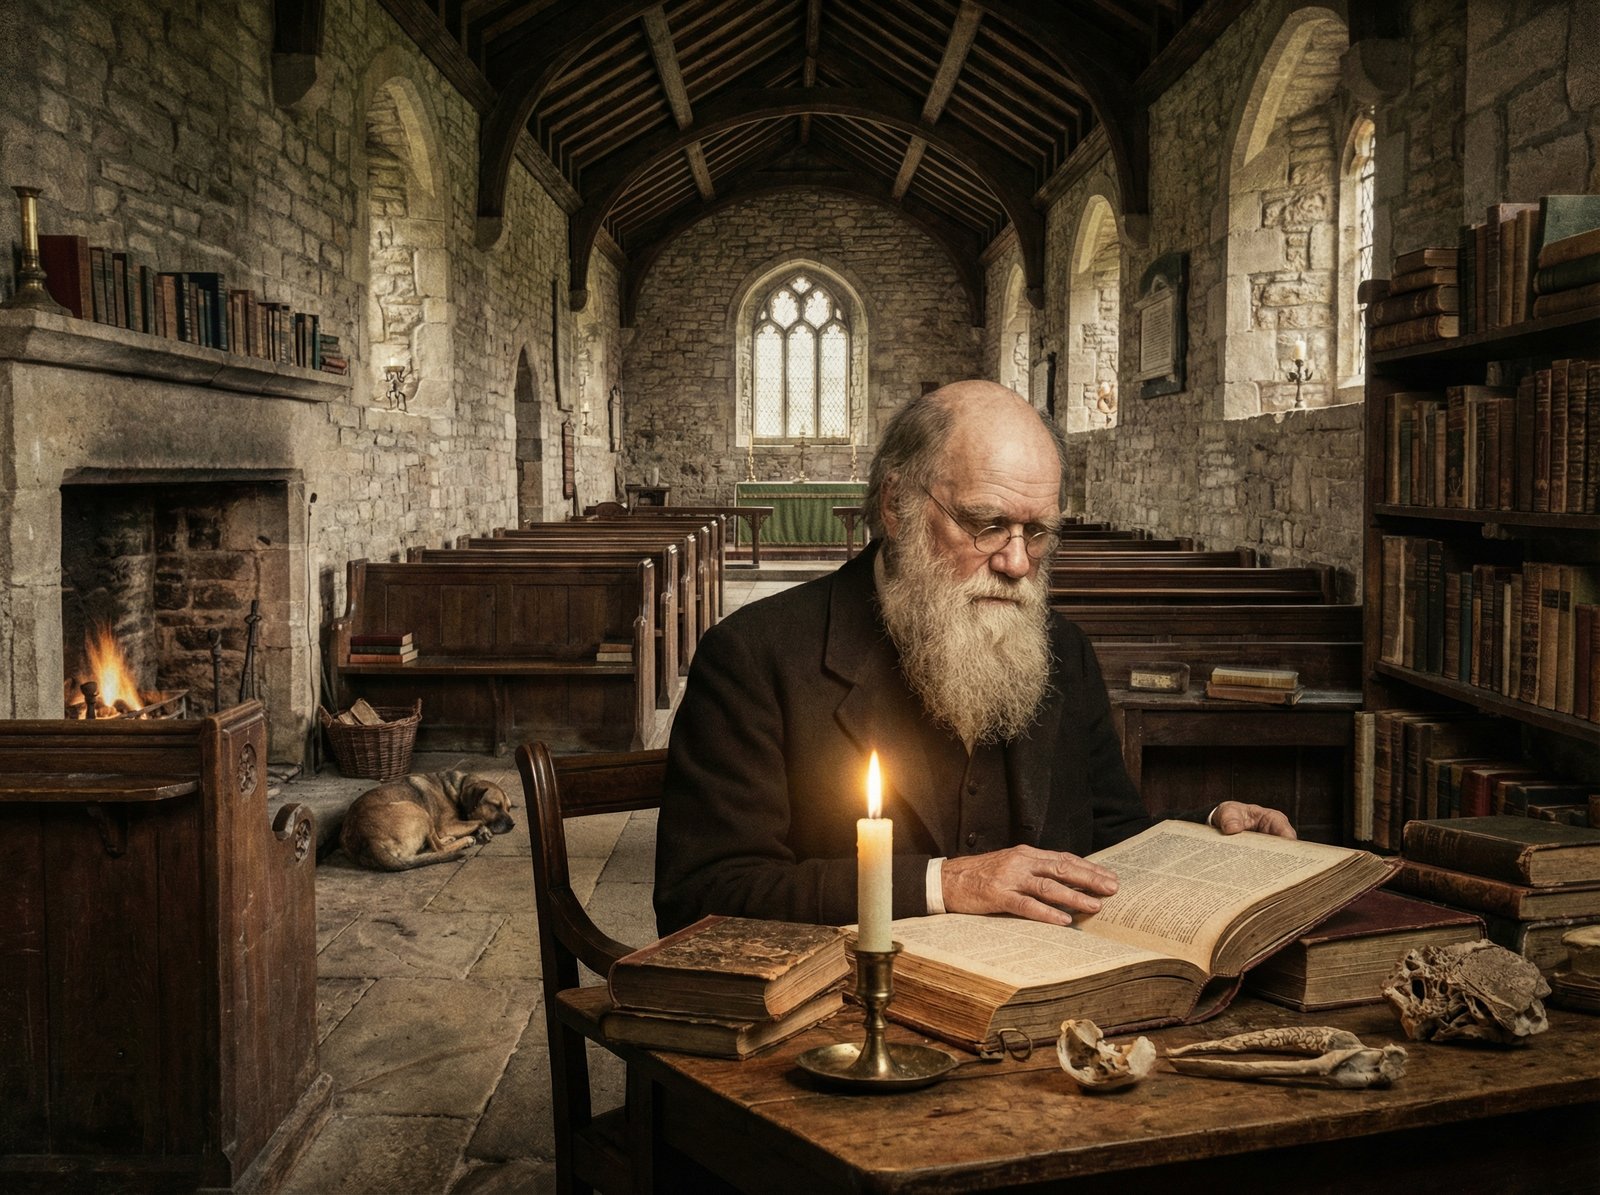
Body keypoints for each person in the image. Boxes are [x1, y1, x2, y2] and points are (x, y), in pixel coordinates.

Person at [654, 380, 1293, 936]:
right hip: (847, 1015)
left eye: (1037, 532)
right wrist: (946, 884)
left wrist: (1206, 833)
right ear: (897, 506)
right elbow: (702, 896)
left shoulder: (1063, 651)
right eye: (987, 524)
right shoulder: (753, 657)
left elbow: (1107, 831)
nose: (1017, 563)